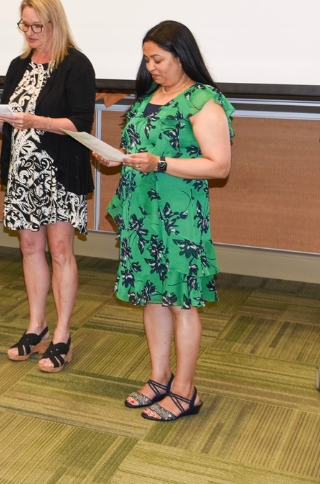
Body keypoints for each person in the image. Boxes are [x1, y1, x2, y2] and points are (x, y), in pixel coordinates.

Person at [96, 21, 233, 421]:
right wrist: (117, 156)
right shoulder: (150, 98)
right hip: (142, 213)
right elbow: (142, 146)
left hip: (178, 216)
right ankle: (160, 378)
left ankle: (186, 390)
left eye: (158, 59)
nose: (151, 67)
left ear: (181, 56)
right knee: (151, 296)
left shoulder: (202, 100)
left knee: (180, 301)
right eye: (146, 59)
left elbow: (219, 165)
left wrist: (161, 163)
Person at [0, 0, 95, 372]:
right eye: (24, 25)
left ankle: (63, 335)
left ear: (55, 23)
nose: (30, 32)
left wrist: (37, 122)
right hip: (23, 174)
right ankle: (37, 327)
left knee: (60, 250)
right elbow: (9, 124)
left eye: (37, 25)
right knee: (29, 248)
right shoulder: (18, 65)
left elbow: (80, 124)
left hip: (59, 172)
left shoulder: (76, 65)